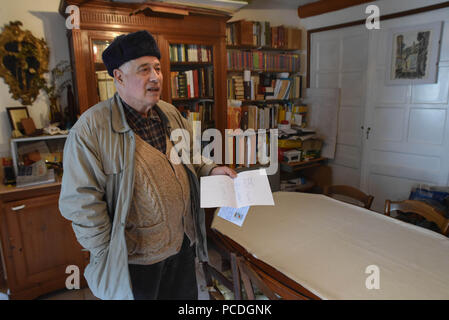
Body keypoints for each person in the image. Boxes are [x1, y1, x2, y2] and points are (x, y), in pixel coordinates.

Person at [59, 30, 236, 300]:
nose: (155, 77)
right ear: (118, 77)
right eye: (144, 70)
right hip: (134, 263)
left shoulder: (170, 113)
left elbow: (190, 155)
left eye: (157, 68)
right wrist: (109, 255)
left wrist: (211, 169)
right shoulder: (90, 130)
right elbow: (81, 205)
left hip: (182, 247)